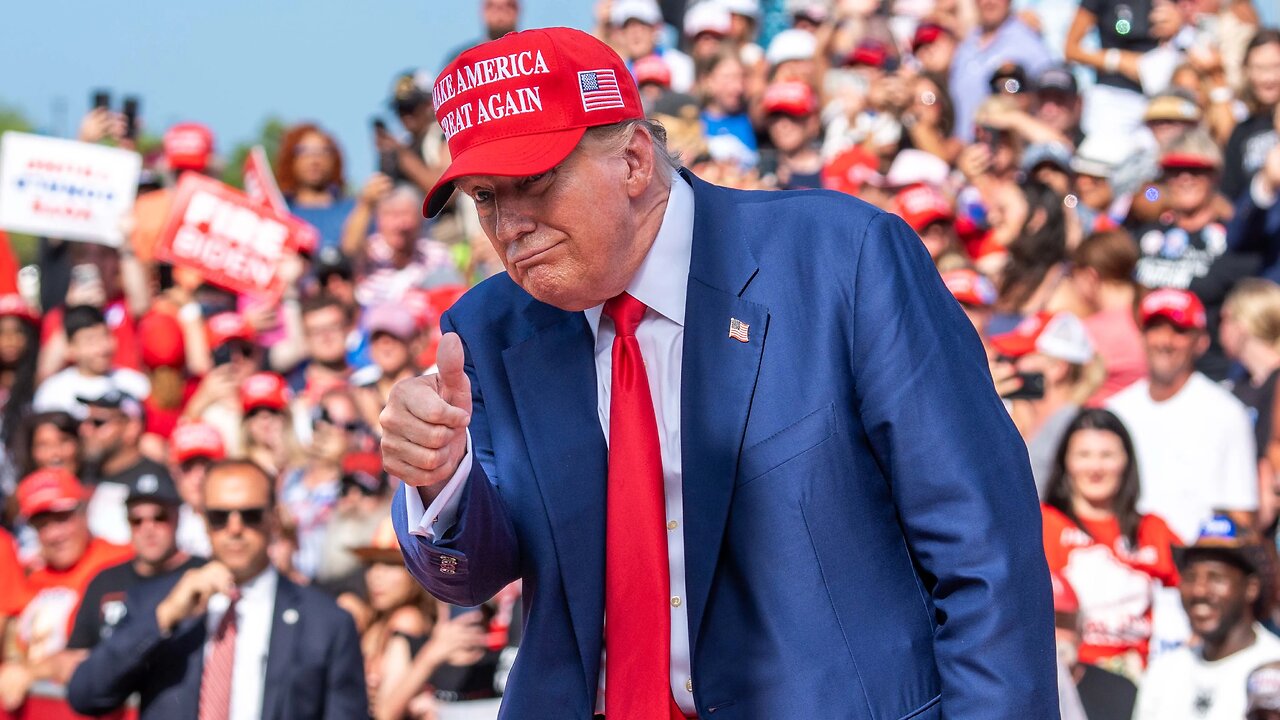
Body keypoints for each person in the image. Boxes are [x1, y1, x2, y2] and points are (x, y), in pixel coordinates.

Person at [381, 27, 1056, 719]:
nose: (508, 225)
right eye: (484, 197)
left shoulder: (840, 258)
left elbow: (983, 554)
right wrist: (441, 477)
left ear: (634, 161)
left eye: (532, 182)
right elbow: (471, 574)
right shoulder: (487, 328)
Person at [67, 459, 367, 719]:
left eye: (250, 515)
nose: (234, 529)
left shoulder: (326, 622)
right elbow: (86, 695)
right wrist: (164, 618)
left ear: (273, 518)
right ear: (202, 518)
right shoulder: (157, 602)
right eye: (219, 517)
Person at [1040, 408, 1181, 680]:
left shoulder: (1152, 529)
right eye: (1084, 455)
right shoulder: (1044, 524)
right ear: (1065, 461)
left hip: (1141, 677)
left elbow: (1194, 590)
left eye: (1107, 455)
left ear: (1127, 461)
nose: (1095, 468)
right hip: (1070, 676)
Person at [1109, 288, 1258, 543]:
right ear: (1141, 336)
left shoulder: (1226, 412)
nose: (1165, 341)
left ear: (1201, 342)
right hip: (1125, 557)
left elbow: (1241, 514)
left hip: (1194, 559)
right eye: (1155, 328)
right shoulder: (1115, 410)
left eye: (1178, 331)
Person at [0, 468, 132, 713]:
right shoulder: (30, 575)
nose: (54, 534)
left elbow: (117, 651)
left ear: (84, 512)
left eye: (62, 518)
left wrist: (33, 672)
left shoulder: (119, 563)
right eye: (42, 524)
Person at [62, 471, 202, 687]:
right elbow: (75, 660)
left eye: (159, 517)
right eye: (137, 520)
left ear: (177, 516)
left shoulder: (201, 575)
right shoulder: (105, 581)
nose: (148, 529)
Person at [1134, 515, 1280, 720]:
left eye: (1216, 578)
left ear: (1251, 588)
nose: (1199, 591)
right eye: (1190, 577)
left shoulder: (1273, 671)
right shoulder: (1164, 670)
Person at [991, 312, 1099, 495]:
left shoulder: (1076, 425)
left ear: (1057, 368)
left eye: (1018, 357)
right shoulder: (1021, 417)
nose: (1008, 366)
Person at [77, 388, 174, 546]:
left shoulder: (157, 482)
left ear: (132, 427)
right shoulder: (83, 474)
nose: (85, 430)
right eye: (84, 421)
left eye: (98, 423)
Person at [949, 0, 1052, 142]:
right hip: (965, 149)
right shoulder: (966, 44)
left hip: (1006, 149)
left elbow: (1050, 98)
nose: (988, 2)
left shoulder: (1028, 42)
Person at [31, 305, 150, 418]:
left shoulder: (136, 385)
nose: (102, 348)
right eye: (90, 341)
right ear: (70, 348)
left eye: (106, 336)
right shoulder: (53, 394)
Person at [1051, 570, 1138, 720]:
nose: (1052, 634)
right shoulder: (1013, 694)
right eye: (1041, 625)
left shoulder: (1121, 693)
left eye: (1062, 621)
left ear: (1080, 628)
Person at [275, 123, 356, 252]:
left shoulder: (353, 211)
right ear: (291, 160)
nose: (314, 160)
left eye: (322, 152)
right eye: (304, 151)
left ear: (334, 159)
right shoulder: (279, 210)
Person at [1222, 30, 1280, 201]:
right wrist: (1264, 186)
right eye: (1259, 68)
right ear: (1247, 71)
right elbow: (1229, 198)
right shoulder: (1241, 132)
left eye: (1276, 67)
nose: (1268, 78)